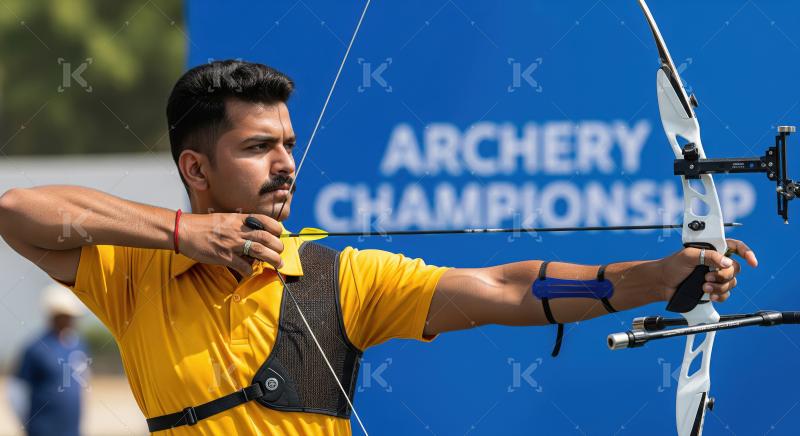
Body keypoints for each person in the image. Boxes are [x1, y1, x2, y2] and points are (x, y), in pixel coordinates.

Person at [0, 60, 757, 435]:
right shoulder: (134, 275)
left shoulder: (340, 279)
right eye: (259, 147)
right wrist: (181, 232)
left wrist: (656, 276)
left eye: (289, 144)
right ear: (195, 168)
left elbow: (504, 288)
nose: (288, 164)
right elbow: (18, 210)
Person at [7, 283, 88, 436]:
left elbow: (82, 381)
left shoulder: (78, 345)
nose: (72, 320)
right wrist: (28, 424)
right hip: (42, 430)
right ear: (55, 316)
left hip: (73, 431)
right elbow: (16, 392)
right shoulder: (35, 348)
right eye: (67, 316)